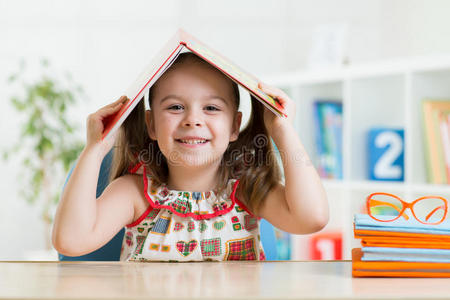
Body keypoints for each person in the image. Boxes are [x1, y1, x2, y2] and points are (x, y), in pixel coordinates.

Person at [52, 52, 329, 261]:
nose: (193, 119)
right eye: (175, 107)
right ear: (151, 125)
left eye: (211, 107)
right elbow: (70, 241)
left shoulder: (247, 191)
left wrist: (282, 130)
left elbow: (312, 218)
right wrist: (94, 149)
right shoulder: (134, 193)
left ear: (234, 126)